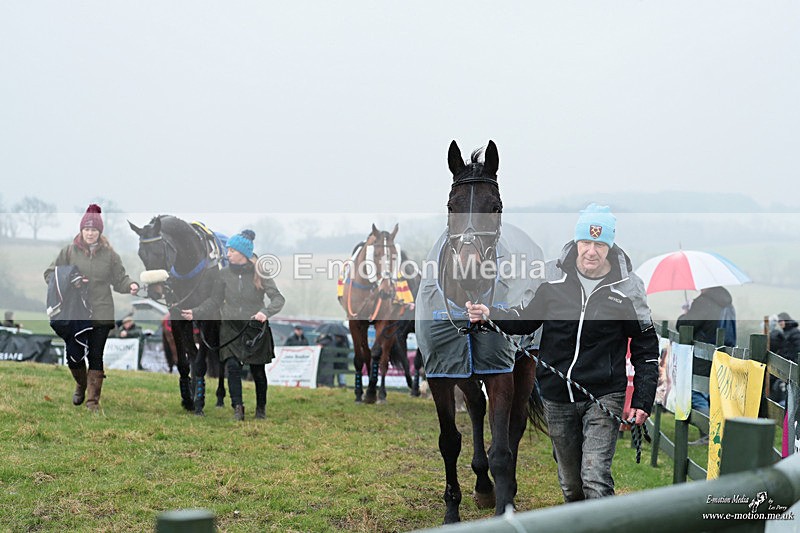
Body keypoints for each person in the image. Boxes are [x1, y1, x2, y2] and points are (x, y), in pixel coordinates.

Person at [466, 203, 659, 502]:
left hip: (603, 394)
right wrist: (489, 315)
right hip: (557, 395)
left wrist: (643, 399)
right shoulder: (551, 278)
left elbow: (646, 348)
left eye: (599, 244)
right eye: (586, 242)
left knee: (594, 478)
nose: (591, 251)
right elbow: (526, 318)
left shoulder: (628, 289)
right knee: (571, 484)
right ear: (576, 242)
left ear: (609, 246)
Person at [44, 204, 139, 411]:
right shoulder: (68, 252)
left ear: (100, 232)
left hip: (101, 312)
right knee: (74, 355)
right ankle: (81, 383)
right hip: (75, 313)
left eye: (94, 230)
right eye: (87, 229)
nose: (90, 233)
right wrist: (71, 279)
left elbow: (120, 279)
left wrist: (131, 284)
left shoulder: (110, 255)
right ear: (81, 230)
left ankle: (92, 402)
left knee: (96, 355)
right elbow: (50, 274)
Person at [182, 230, 285, 421]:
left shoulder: (260, 273)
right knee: (232, 367)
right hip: (230, 328)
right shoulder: (223, 274)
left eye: (231, 250)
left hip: (254, 329)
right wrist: (196, 312)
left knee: (257, 371)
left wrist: (265, 312)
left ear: (242, 254)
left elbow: (278, 299)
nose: (227, 254)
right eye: (227, 250)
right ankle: (238, 407)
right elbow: (214, 301)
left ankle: (260, 409)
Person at [675, 285, 735, 444]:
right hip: (723, 354)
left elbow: (685, 326)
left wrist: (685, 314)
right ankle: (716, 433)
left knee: (696, 393)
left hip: (701, 355)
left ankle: (711, 434)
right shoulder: (727, 304)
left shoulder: (703, 302)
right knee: (712, 394)